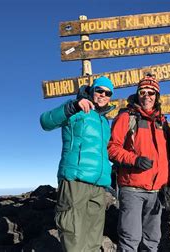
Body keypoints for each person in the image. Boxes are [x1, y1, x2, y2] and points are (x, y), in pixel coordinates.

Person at [40, 76, 115, 252]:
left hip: (99, 187)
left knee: (93, 240)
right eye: (99, 90)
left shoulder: (104, 121)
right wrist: (72, 107)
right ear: (92, 90)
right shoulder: (75, 108)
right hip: (75, 182)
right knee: (73, 239)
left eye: (108, 93)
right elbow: (46, 121)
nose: (103, 95)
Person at [108, 74, 170, 251]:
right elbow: (112, 149)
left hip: (157, 191)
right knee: (130, 239)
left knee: (152, 240)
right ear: (138, 94)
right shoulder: (127, 117)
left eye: (151, 92)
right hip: (132, 188)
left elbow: (168, 154)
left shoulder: (162, 122)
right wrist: (135, 160)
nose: (147, 96)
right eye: (142, 92)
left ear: (157, 97)